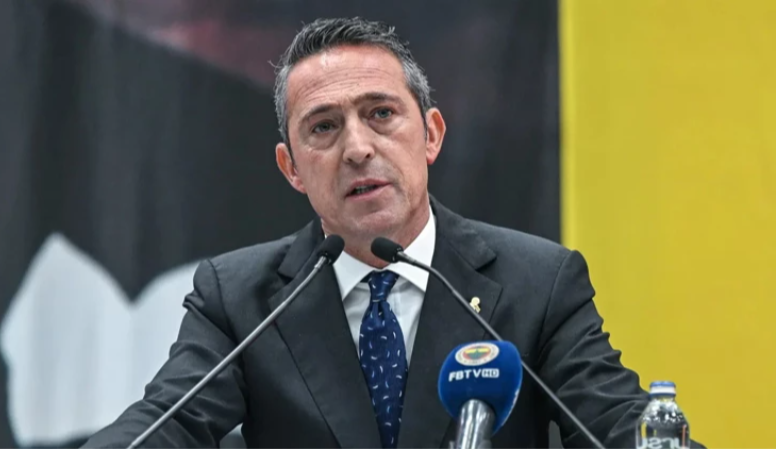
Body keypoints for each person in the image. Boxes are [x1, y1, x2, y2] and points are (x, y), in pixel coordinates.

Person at [83, 18, 699, 449]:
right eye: (323, 127)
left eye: (380, 114)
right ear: (291, 168)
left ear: (430, 134)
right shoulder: (240, 298)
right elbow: (167, 422)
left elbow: (615, 420)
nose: (357, 148)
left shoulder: (536, 281)